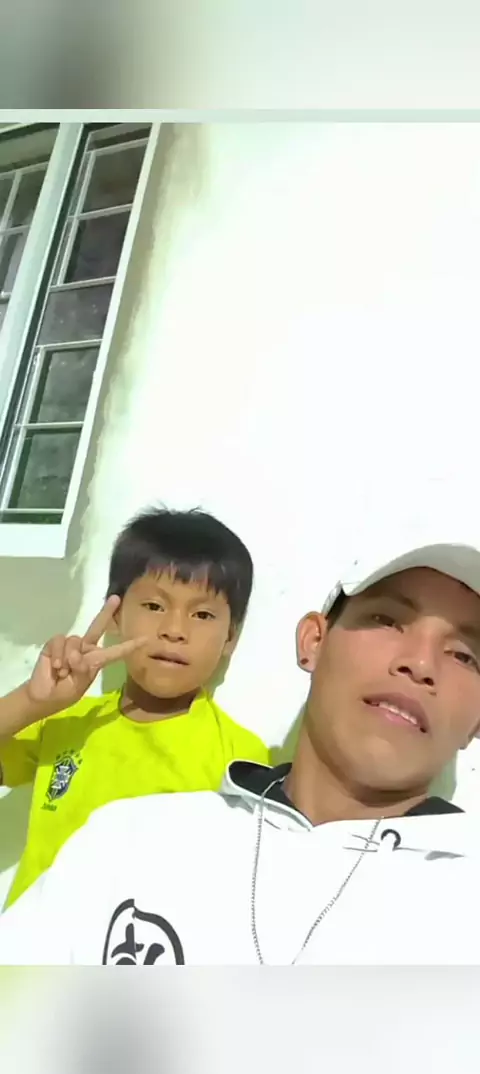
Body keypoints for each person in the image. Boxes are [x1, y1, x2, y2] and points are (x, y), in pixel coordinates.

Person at [2, 533, 480, 965]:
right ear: (313, 641)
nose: (420, 664)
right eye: (387, 619)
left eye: (464, 654)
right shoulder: (124, 835)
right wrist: (31, 702)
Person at [0, 507, 269, 907]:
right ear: (115, 616)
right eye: (155, 607)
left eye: (202, 614)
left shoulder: (239, 758)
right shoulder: (63, 722)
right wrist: (32, 700)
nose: (174, 631)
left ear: (230, 637)